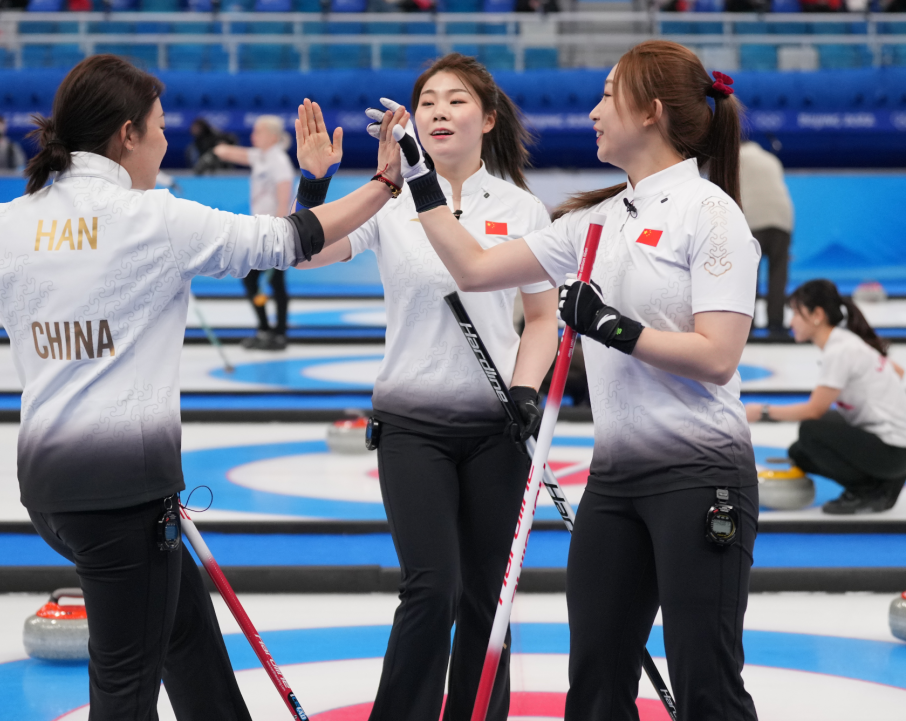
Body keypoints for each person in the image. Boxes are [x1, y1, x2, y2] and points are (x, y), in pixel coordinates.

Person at [0, 54, 405, 720]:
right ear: (126, 135)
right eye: (157, 127)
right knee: (125, 689)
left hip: (50, 493)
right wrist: (384, 182)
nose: (164, 141)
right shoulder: (154, 218)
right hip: (122, 500)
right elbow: (288, 242)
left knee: (186, 636)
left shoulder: (1, 223)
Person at [390, 40, 762, 721]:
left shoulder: (711, 215)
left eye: (607, 95)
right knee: (594, 683)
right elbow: (474, 268)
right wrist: (419, 178)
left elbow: (718, 356)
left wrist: (613, 327)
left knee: (706, 682)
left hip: (700, 474)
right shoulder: (595, 220)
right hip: (614, 483)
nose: (592, 111)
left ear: (650, 111)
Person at [296, 54, 560, 721]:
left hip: (499, 428)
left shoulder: (524, 208)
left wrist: (526, 392)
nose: (439, 112)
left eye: (456, 100)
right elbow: (308, 251)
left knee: (488, 599)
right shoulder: (387, 200)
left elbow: (541, 319)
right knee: (432, 588)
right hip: (411, 425)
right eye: (428, 102)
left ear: (488, 119)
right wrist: (314, 184)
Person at [745, 279, 906, 514]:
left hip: (895, 451)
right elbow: (897, 371)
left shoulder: (839, 351)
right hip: (902, 445)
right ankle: (886, 481)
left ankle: (870, 490)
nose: (791, 322)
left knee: (811, 431)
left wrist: (762, 412)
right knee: (800, 453)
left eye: (796, 313)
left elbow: (813, 410)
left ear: (817, 315)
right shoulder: (846, 341)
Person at [214, 116, 295, 350]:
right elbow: (231, 153)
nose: (253, 135)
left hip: (273, 233)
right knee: (254, 280)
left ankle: (278, 334)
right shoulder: (261, 156)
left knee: (274, 282)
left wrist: (280, 235)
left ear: (272, 136)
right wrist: (215, 146)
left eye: (258, 131)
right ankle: (267, 330)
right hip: (259, 231)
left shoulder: (279, 161)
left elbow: (284, 199)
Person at [739, 139, 793, 341]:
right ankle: (776, 324)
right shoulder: (771, 159)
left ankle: (747, 325)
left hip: (753, 219)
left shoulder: (737, 157)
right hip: (783, 218)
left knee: (749, 274)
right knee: (778, 274)